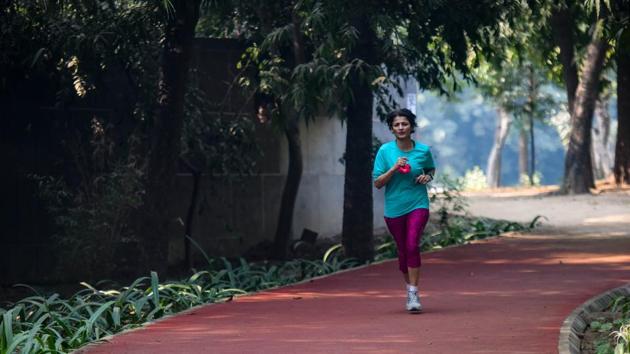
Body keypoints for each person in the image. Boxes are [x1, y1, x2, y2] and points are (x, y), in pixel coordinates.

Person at [372, 108, 436, 313]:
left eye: (405, 124)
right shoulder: (385, 152)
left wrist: (428, 177)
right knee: (402, 251)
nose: (401, 127)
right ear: (391, 128)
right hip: (394, 208)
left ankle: (413, 293)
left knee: (411, 245)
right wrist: (393, 168)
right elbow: (378, 183)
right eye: (397, 124)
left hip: (418, 203)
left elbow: (430, 169)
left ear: (411, 127)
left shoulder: (423, 151)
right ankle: (409, 287)